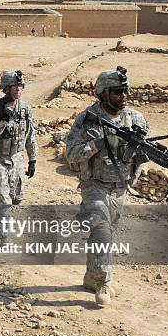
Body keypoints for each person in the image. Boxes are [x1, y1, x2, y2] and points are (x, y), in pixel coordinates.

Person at [66, 66, 150, 307]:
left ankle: (92, 276)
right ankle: (104, 282)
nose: (123, 96)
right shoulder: (87, 119)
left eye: (125, 91)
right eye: (116, 92)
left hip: (120, 186)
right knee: (102, 231)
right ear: (103, 93)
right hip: (94, 185)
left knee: (105, 234)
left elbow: (143, 153)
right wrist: (99, 143)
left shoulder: (135, 118)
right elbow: (71, 153)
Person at [0, 71, 37, 241]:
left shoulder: (25, 108)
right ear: (6, 88)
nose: (18, 90)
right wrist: (2, 122)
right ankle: (4, 237)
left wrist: (32, 159)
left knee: (17, 199)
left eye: (20, 86)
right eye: (15, 87)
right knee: (4, 200)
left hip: (17, 158)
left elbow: (30, 134)